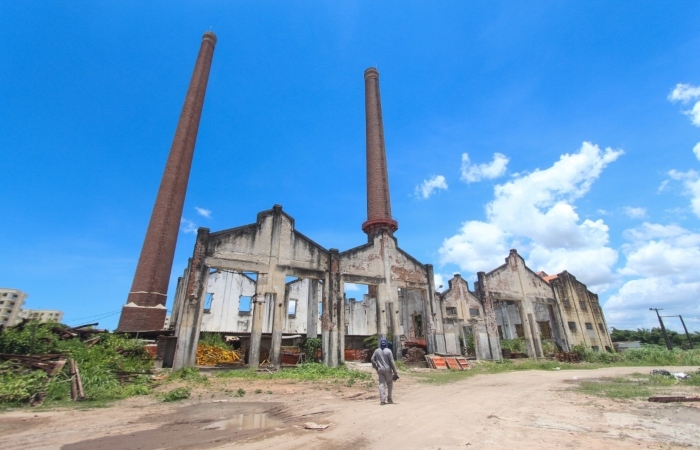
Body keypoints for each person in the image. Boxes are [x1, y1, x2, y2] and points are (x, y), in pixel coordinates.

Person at [371, 337, 398, 405]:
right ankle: (389, 399)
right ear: (386, 343)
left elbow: (372, 359)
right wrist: (395, 372)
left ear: (380, 343)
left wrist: (376, 366)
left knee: (381, 384)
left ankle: (382, 400)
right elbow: (392, 362)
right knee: (389, 384)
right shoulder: (388, 351)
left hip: (380, 370)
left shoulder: (377, 351)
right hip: (387, 370)